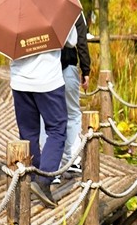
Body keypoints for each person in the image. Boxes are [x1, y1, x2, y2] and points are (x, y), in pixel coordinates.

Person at [10, 42, 67, 207]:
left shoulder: (11, 18)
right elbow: (71, 41)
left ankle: (31, 180)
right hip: (49, 79)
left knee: (28, 134)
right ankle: (43, 181)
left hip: (20, 80)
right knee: (57, 131)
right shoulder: (55, 15)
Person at [58, 13, 92, 176]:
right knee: (72, 114)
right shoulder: (73, 9)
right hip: (68, 65)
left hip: (47, 69)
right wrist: (86, 69)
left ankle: (51, 164)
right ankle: (72, 159)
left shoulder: (40, 6)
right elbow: (81, 41)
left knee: (48, 115)